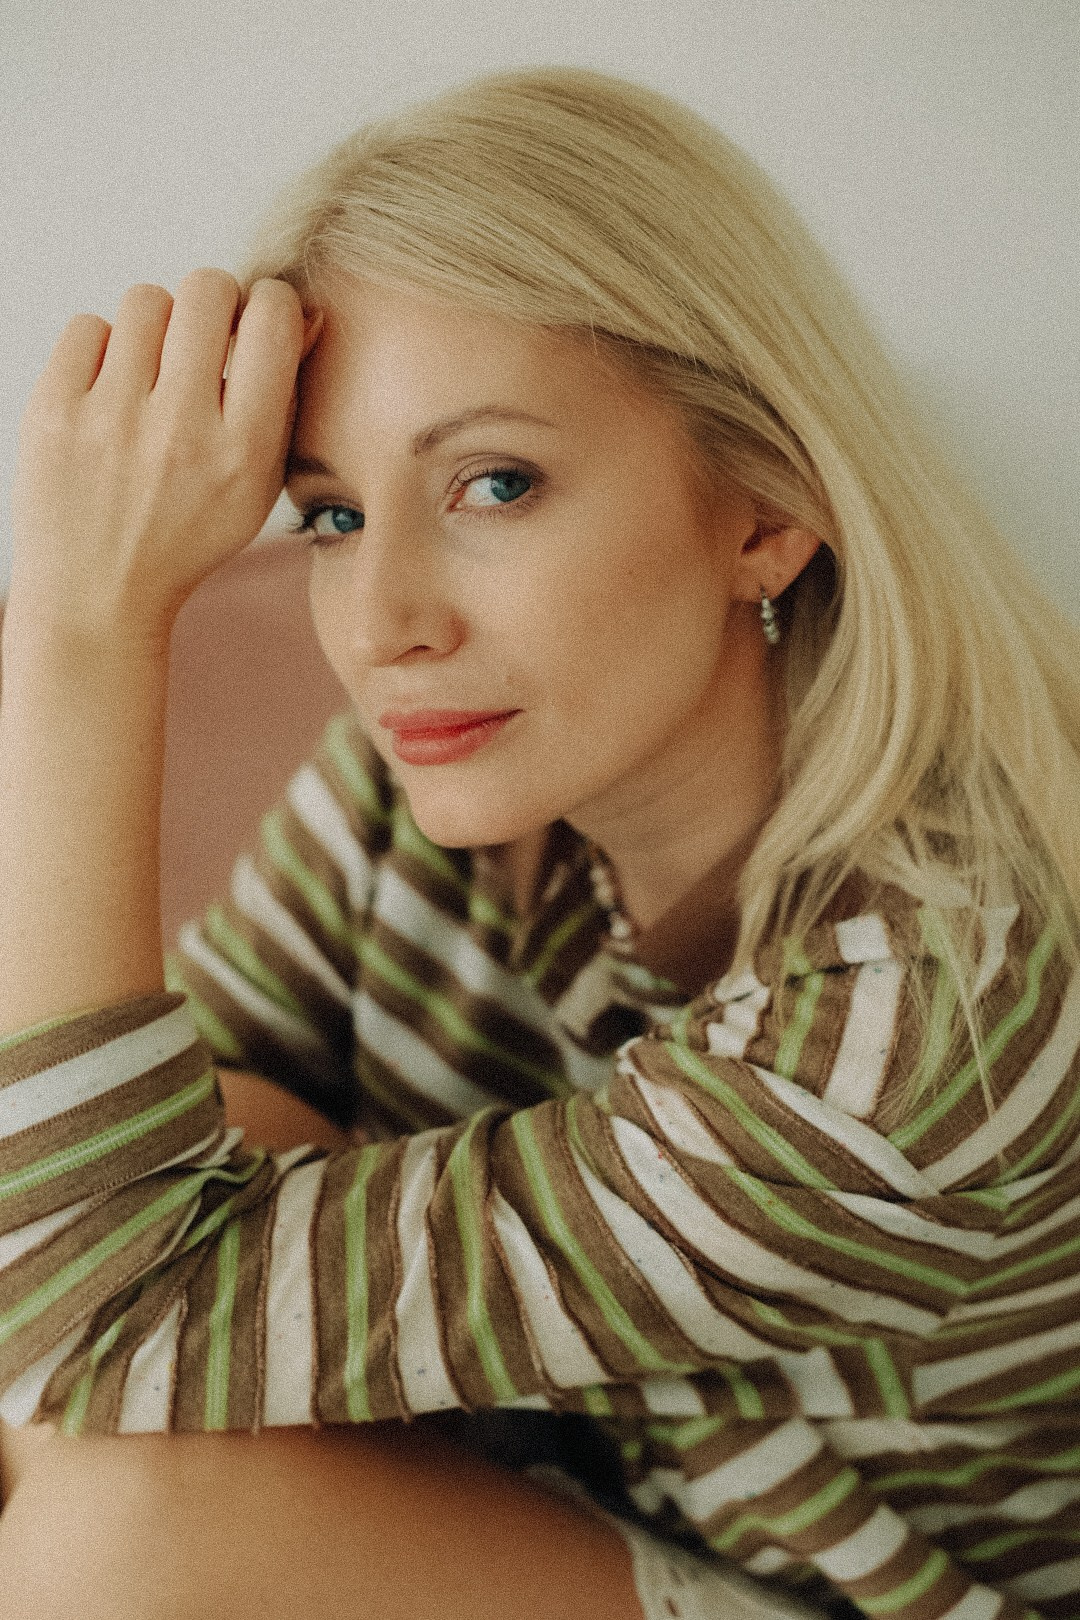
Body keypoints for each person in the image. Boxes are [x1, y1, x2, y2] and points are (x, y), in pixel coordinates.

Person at [0, 61, 1078, 1620]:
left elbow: (97, 1308)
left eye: (493, 484)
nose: (381, 622)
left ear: (765, 507)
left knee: (127, 1527)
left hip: (851, 1596)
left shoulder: (915, 1021)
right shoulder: (434, 781)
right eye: (331, 514)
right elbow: (136, 1171)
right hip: (557, 1486)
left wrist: (83, 633)